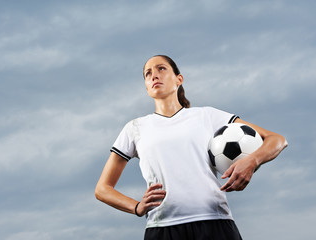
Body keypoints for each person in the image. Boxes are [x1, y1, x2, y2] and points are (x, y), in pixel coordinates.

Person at [95, 55, 288, 240]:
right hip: (162, 229)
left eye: (161, 68)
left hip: (215, 223)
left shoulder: (207, 116)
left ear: (179, 79)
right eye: (148, 73)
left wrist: (251, 161)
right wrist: (136, 207)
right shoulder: (134, 128)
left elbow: (276, 139)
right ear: (146, 87)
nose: (154, 75)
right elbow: (103, 189)